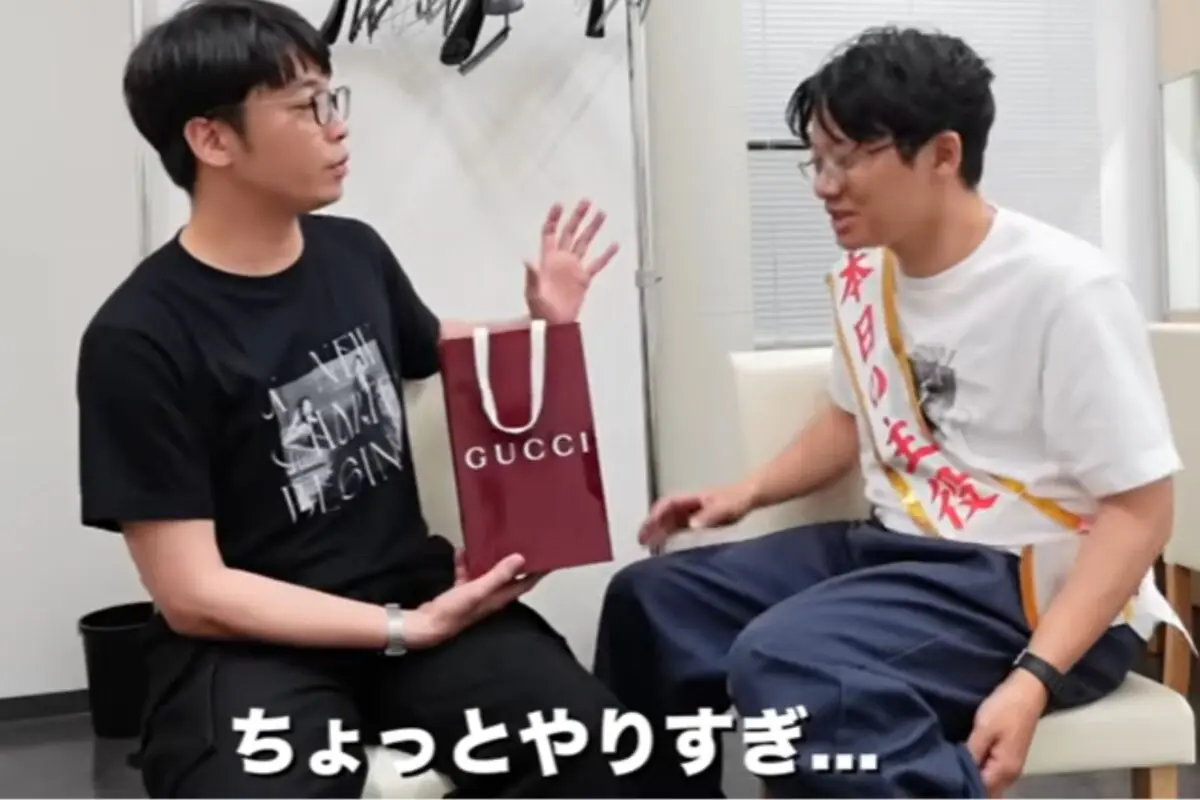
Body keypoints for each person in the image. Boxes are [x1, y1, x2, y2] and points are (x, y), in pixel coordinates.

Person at [594, 26, 1190, 799]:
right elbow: (851, 420)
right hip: (895, 550)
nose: (823, 185)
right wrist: (745, 493)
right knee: (650, 602)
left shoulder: (1066, 289)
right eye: (817, 159)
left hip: (1029, 585)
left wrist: (1034, 678)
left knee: (788, 659)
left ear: (943, 154)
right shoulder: (864, 277)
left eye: (848, 159)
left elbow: (1141, 512)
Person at [76, 0, 627, 797]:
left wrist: (537, 324)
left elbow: (432, 344)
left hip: (415, 592)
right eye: (308, 107)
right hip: (253, 644)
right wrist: (406, 630)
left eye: (333, 98)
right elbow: (193, 593)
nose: (338, 128)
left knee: (608, 752)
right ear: (212, 139)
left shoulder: (354, 253)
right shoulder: (139, 336)